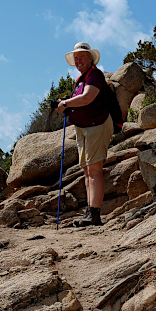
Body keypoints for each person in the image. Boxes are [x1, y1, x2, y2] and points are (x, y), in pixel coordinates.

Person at [56, 41, 113, 227]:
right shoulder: (81, 79)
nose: (79, 60)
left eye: (82, 57)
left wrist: (66, 104)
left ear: (90, 59)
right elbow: (81, 100)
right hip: (84, 127)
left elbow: (88, 98)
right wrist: (67, 105)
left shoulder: (94, 75)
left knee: (94, 170)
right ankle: (90, 211)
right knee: (88, 171)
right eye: (76, 58)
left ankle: (94, 213)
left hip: (97, 125)